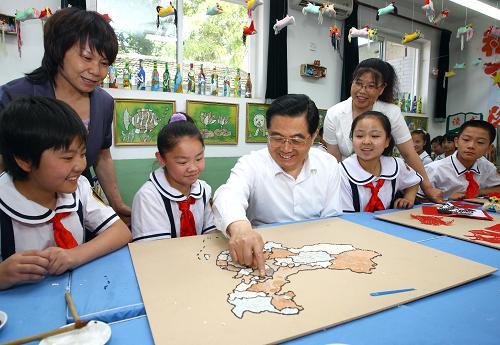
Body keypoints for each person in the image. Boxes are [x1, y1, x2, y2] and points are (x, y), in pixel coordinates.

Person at [0, 7, 131, 218]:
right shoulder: (15, 96)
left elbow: (101, 156)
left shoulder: (104, 103)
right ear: (59, 50)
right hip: (20, 208)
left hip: (77, 203)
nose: (97, 71)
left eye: (104, 63)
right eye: (87, 58)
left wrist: (116, 204)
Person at [0, 97, 131, 290]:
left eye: (83, 154)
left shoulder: (80, 188)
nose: (80, 166)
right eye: (68, 157)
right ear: (25, 160)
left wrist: (74, 256)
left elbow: (121, 232)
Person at [212, 94, 342, 276]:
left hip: (315, 256)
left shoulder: (328, 164)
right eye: (277, 138)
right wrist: (240, 228)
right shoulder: (252, 163)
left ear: (313, 137)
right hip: (265, 255)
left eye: (296, 140)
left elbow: (332, 220)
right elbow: (227, 194)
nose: (286, 148)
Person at [322, 58, 443, 203]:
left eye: (371, 86)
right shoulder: (334, 113)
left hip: (382, 184)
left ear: (381, 88)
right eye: (358, 83)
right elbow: (333, 159)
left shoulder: (391, 112)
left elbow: (409, 153)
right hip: (348, 184)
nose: (362, 91)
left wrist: (428, 188)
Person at [131, 114, 216, 241]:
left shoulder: (204, 189)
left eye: (199, 158)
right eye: (182, 162)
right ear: (161, 159)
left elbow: (211, 234)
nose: (193, 168)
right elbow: (153, 250)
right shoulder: (148, 197)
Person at [340, 111, 420, 212]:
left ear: (387, 141)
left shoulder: (396, 165)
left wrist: (408, 199)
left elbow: (414, 181)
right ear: (352, 139)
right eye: (359, 136)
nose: (366, 142)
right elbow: (346, 218)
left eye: (375, 136)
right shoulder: (342, 172)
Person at [421, 120, 500, 200]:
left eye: (480, 142)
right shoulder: (434, 169)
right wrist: (446, 199)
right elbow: (416, 200)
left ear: (489, 149)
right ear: (456, 142)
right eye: (466, 140)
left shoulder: (487, 167)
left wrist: (479, 192)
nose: (471, 146)